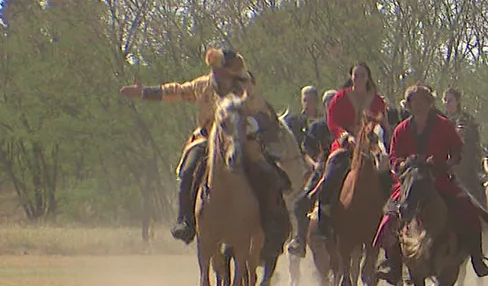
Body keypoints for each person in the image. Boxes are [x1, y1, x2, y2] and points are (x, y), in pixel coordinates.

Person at [119, 45, 286, 245]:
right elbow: (177, 91)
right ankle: (185, 220)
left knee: (267, 172)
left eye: (221, 68)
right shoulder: (203, 85)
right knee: (188, 171)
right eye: (214, 69)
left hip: (239, 139)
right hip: (207, 138)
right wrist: (144, 92)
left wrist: (251, 124)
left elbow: (264, 112)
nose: (216, 73)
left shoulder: (244, 88)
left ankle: (271, 224)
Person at [375, 85, 488, 284]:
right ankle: (392, 264)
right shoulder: (401, 129)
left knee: (468, 209)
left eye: (423, 102)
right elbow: (395, 156)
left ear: (430, 104)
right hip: (409, 183)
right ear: (409, 105)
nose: (419, 106)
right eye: (414, 102)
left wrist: (447, 162)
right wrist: (402, 165)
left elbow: (457, 149)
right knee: (389, 217)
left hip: (439, 179)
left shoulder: (443, 125)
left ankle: (477, 257)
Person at [288, 62, 387, 255]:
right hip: (345, 147)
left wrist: (380, 144)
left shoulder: (376, 101)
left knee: (389, 180)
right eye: (356, 75)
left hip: (372, 148)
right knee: (331, 174)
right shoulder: (341, 98)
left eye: (363, 75)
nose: (359, 79)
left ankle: (390, 226)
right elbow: (332, 121)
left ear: (368, 77)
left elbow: (382, 124)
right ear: (351, 77)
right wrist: (344, 136)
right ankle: (323, 218)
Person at [442, 89, 485, 206]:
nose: (447, 103)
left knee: (477, 192)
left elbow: (474, 144)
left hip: (466, 164)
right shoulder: (441, 120)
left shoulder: (468, 120)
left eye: (450, 100)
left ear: (457, 101)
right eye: (445, 100)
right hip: (446, 165)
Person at [282, 85, 319, 151]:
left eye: (310, 100)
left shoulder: (322, 122)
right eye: (304, 100)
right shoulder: (296, 122)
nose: (306, 103)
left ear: (316, 101)